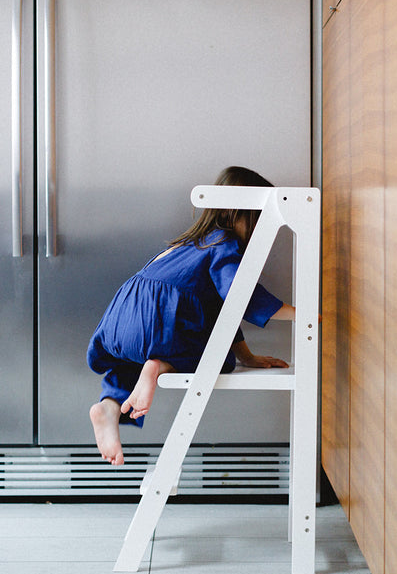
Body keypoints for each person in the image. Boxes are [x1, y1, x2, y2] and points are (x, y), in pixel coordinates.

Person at [86, 166, 295, 465]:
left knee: (132, 361)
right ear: (237, 212)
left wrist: (248, 355)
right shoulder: (225, 244)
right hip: (159, 322)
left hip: (123, 317)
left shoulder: (191, 242)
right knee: (220, 360)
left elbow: (220, 314)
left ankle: (108, 407)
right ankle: (158, 367)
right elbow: (239, 294)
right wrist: (298, 313)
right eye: (258, 219)